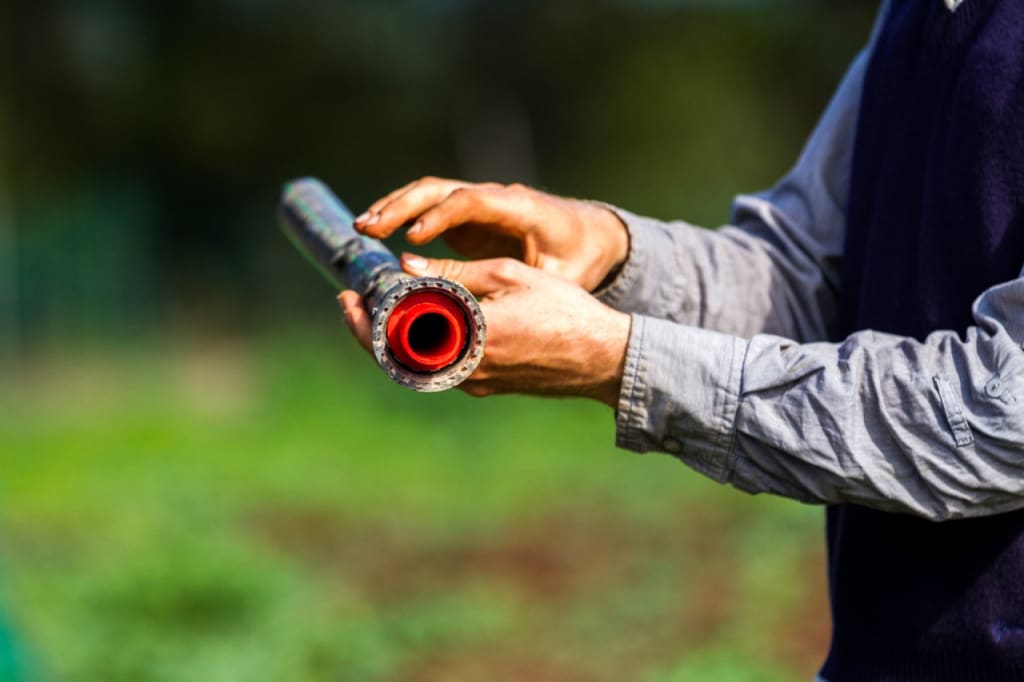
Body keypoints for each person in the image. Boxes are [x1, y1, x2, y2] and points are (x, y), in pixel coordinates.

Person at [340, 0, 1024, 678]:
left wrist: (617, 359)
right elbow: (805, 275)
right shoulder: (912, 14)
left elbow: (999, 413)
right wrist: (611, 252)